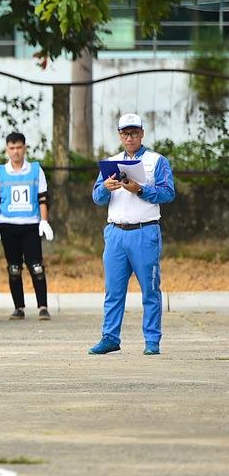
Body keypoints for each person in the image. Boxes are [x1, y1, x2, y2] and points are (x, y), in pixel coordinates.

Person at [89, 113, 175, 355]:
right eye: (125, 134)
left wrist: (141, 190)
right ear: (119, 135)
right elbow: (97, 197)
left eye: (134, 133)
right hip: (116, 232)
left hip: (144, 231)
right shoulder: (111, 162)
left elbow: (168, 193)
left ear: (142, 134)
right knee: (113, 290)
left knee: (150, 289)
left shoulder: (156, 161)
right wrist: (105, 188)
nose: (130, 138)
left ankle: (152, 340)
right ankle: (110, 337)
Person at [0, 132, 54, 321]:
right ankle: (19, 307)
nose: (15, 152)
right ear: (7, 149)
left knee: (36, 267)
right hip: (8, 225)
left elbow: (42, 198)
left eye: (19, 147)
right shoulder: (0, 172)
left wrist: (44, 221)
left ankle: (43, 306)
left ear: (24, 148)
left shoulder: (35, 170)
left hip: (31, 225)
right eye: (12, 148)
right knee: (14, 268)